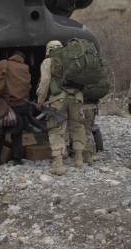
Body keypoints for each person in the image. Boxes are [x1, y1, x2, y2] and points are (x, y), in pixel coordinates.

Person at [37, 40, 86, 175]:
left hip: (58, 99)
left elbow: (45, 81)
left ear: (48, 50)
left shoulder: (48, 61)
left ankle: (58, 164)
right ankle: (78, 159)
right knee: (77, 126)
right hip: (77, 97)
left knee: (56, 129)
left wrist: (40, 101)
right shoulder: (74, 58)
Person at [0, 51, 32, 165]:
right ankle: (17, 159)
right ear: (22, 59)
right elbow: (27, 87)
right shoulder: (25, 68)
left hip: (3, 103)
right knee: (17, 134)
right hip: (20, 105)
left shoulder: (4, 63)